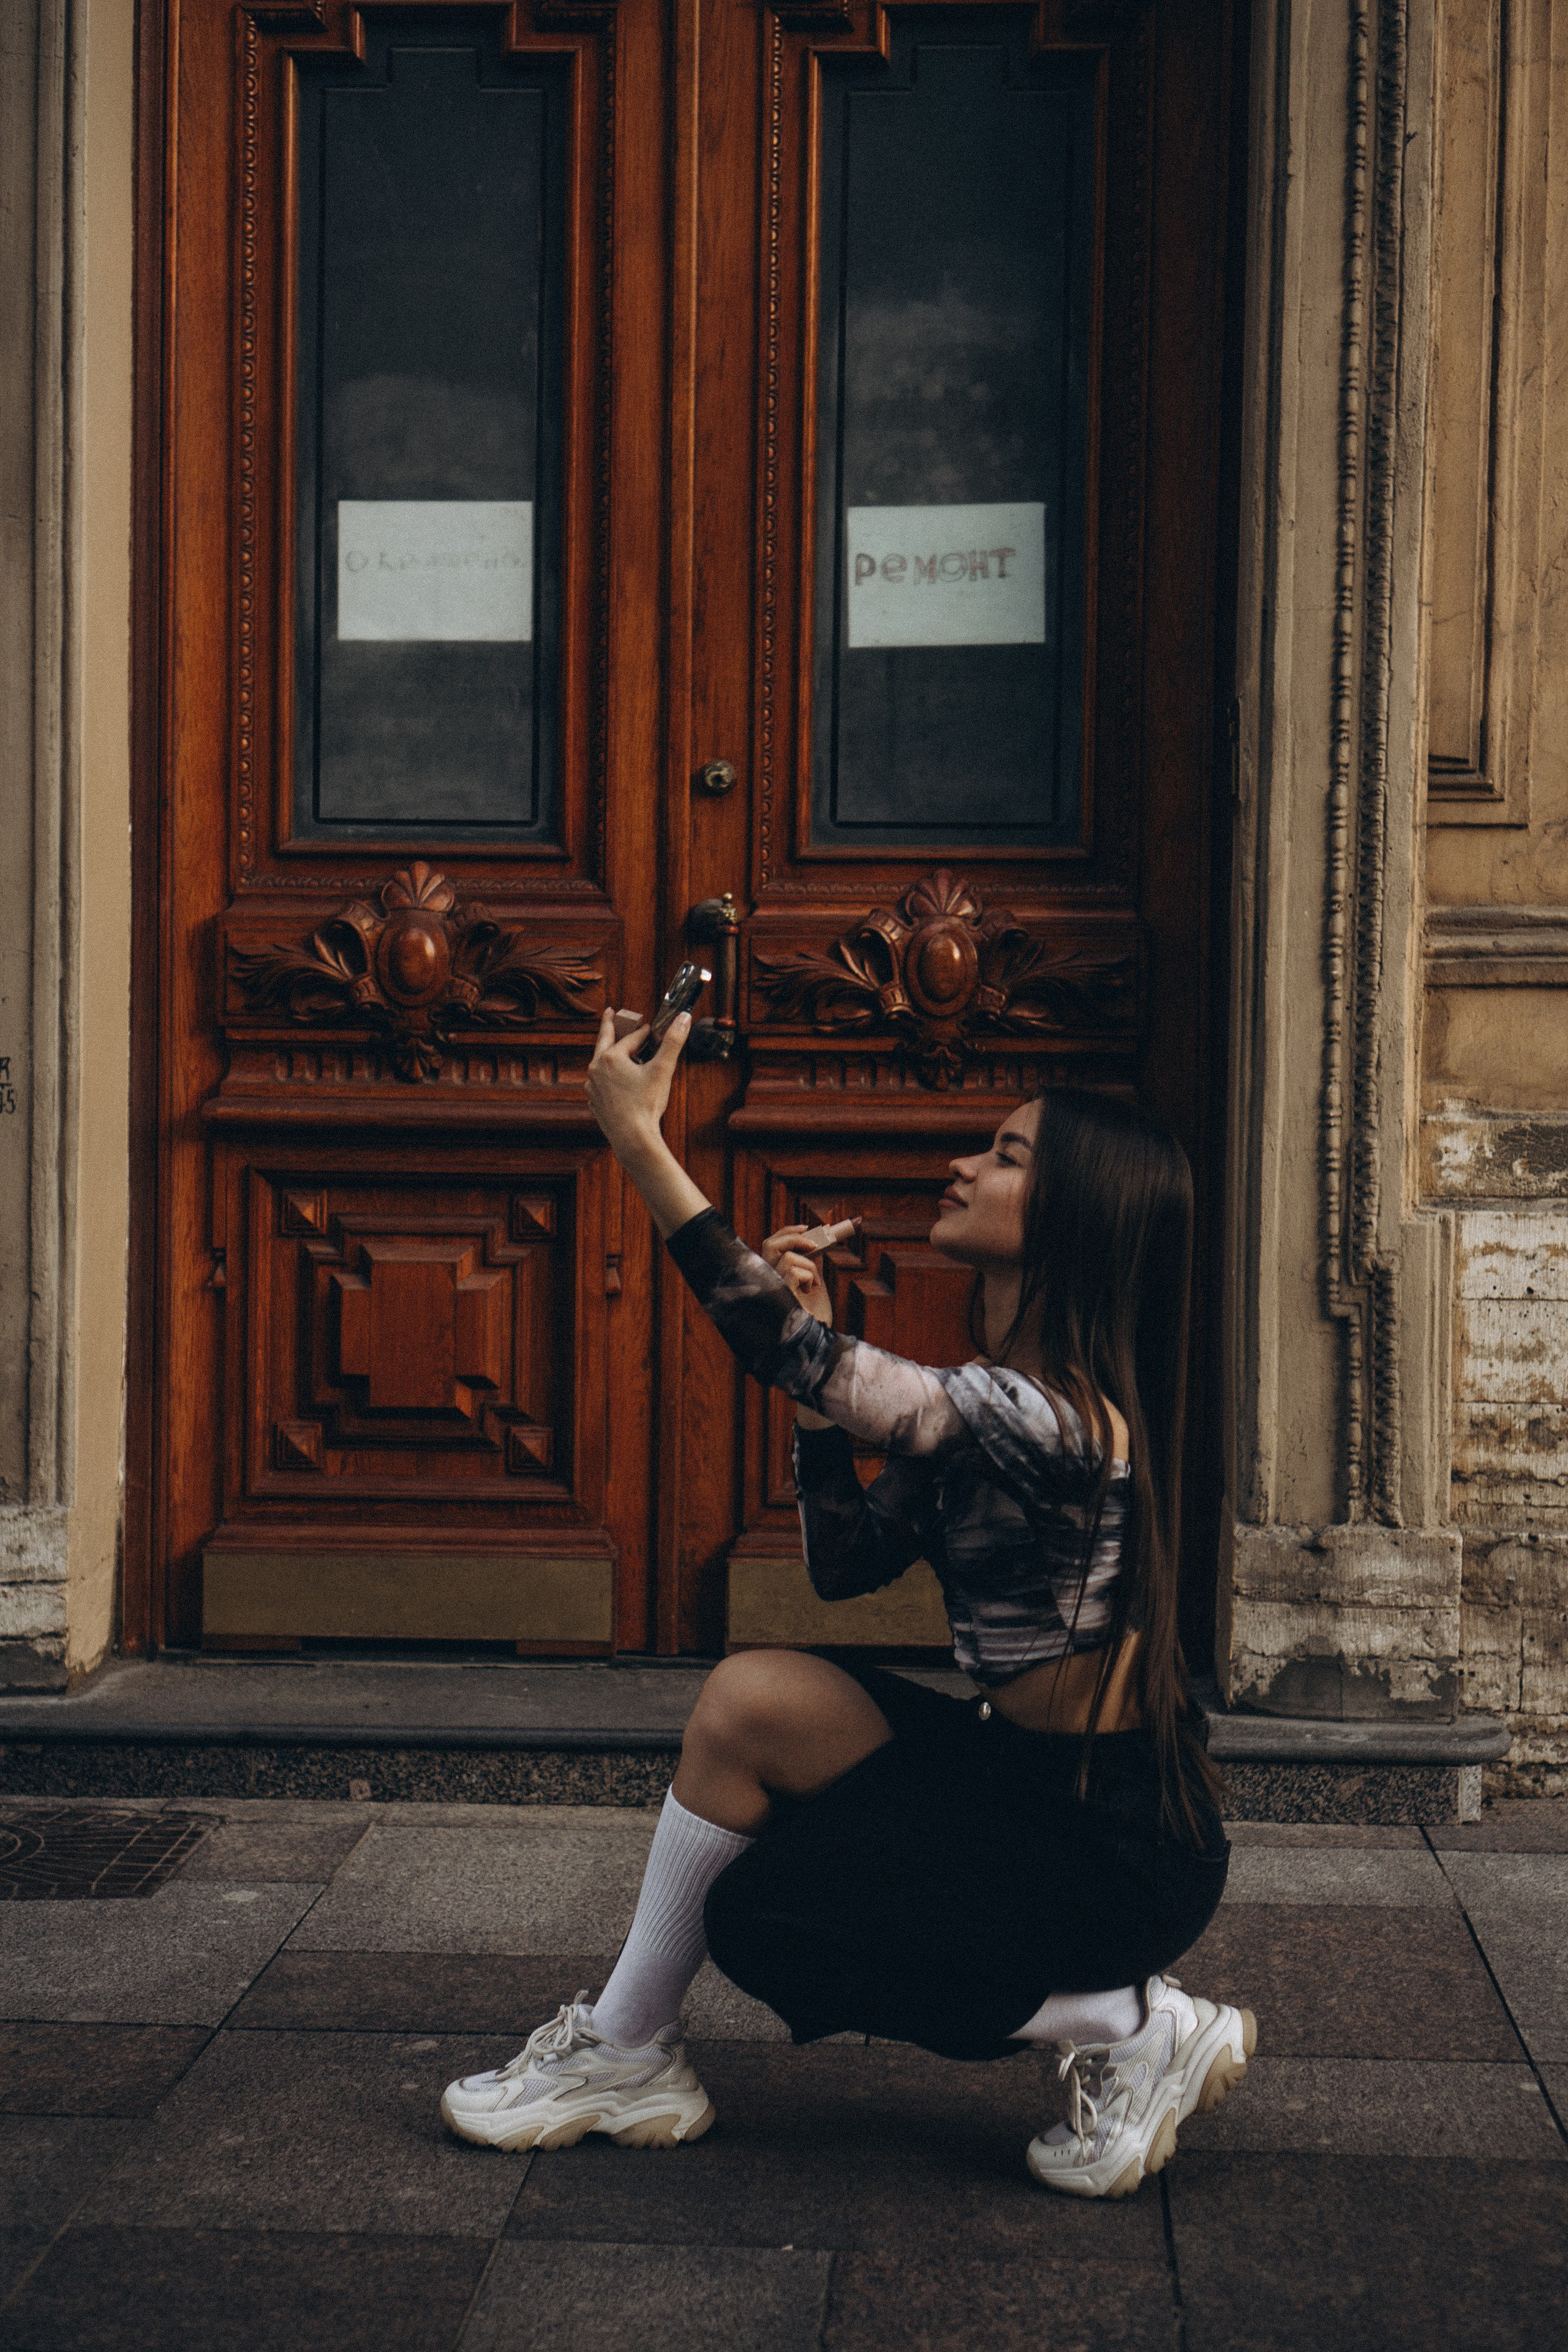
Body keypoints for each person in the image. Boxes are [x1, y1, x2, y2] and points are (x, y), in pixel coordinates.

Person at [440, 1003, 1255, 2198]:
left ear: (1068, 1220)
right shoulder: (997, 1403)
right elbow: (845, 1563)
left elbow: (779, 1348)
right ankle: (624, 2052)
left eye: (1006, 1156)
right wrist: (825, 1396)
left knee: (773, 1924)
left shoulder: (1058, 1421)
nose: (963, 1164)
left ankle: (1123, 2025)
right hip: (1024, 1781)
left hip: (1109, 1844)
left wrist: (640, 1146)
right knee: (749, 1703)